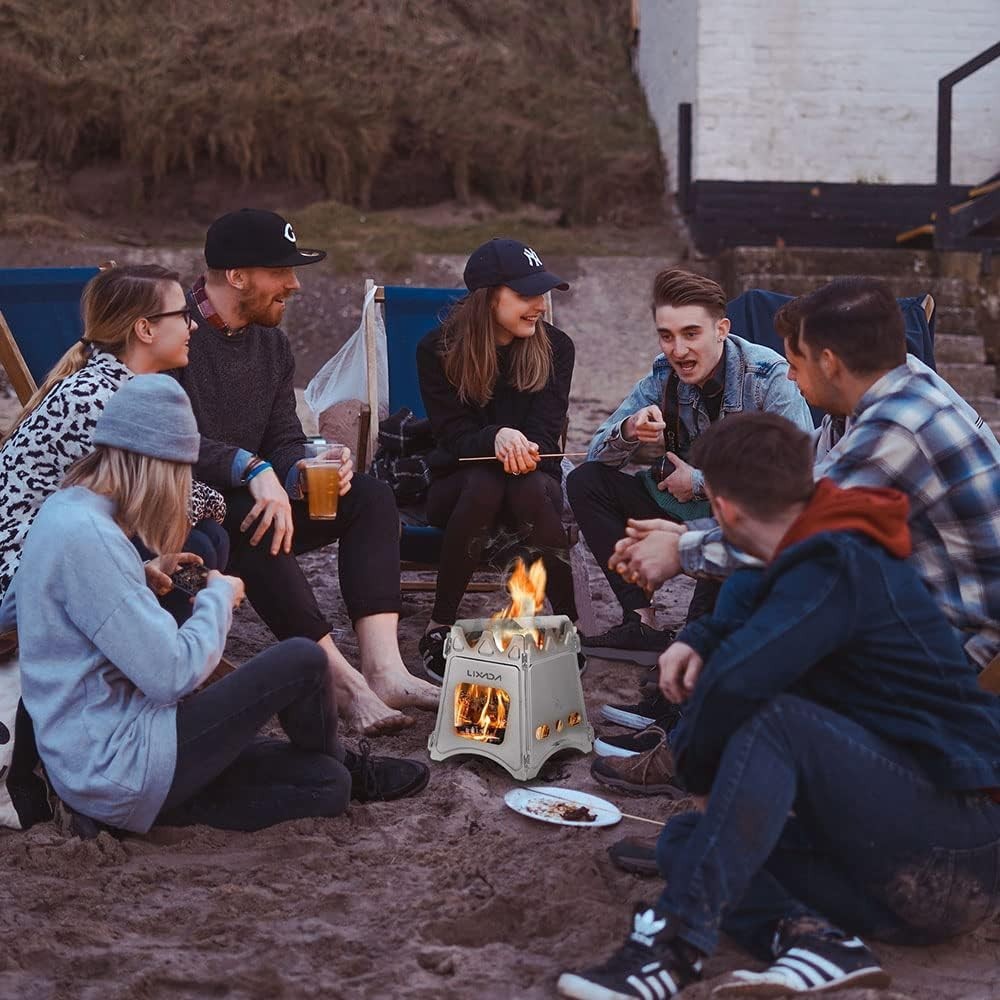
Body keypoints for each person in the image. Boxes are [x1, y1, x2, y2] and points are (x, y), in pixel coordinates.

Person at [558, 414, 1000, 1000]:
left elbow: (739, 684)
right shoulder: (789, 549)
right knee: (687, 838)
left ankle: (673, 947)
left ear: (722, 509)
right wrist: (698, 639)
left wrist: (698, 770)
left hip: (954, 853)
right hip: (881, 873)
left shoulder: (839, 559)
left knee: (774, 724)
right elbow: (741, 615)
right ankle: (817, 941)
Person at [14, 375, 428, 837]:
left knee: (326, 786)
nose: (180, 489)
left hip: (109, 761)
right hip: (121, 762)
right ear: (154, 463)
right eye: (180, 473)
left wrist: (140, 572)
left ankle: (337, 768)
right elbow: (171, 675)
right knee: (303, 660)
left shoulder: (67, 511)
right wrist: (218, 598)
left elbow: (40, 603)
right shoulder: (90, 537)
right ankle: (345, 760)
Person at [609, 276, 1000, 672]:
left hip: (964, 645)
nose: (790, 378)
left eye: (795, 366)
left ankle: (697, 692)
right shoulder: (881, 391)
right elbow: (793, 484)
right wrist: (690, 530)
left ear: (828, 363)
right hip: (918, 602)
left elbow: (800, 529)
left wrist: (681, 550)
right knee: (752, 585)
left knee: (769, 602)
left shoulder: (899, 426)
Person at [177, 208, 439, 736]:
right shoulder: (172, 331)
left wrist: (302, 466)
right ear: (237, 275)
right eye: (281, 272)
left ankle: (385, 670)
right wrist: (252, 469)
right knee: (255, 518)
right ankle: (342, 683)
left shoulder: (271, 344)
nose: (295, 285)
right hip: (190, 513)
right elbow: (164, 438)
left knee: (369, 496)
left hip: (261, 495)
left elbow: (282, 436)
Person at [567, 267, 813, 666]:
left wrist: (698, 481)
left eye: (691, 334)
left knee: (693, 650)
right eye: (667, 336)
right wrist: (629, 430)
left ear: (721, 329)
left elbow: (798, 475)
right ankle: (641, 621)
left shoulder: (769, 377)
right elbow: (595, 453)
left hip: (738, 520)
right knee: (586, 481)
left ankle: (698, 639)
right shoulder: (664, 374)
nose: (678, 350)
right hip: (677, 506)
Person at [0, 264, 229, 611]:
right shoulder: (94, 399)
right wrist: (217, 497)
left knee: (207, 538)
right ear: (145, 329)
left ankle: (173, 632)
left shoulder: (117, 386)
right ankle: (164, 639)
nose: (193, 325)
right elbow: (163, 503)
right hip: (23, 576)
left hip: (65, 550)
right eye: (183, 315)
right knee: (192, 542)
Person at [415, 237, 577, 680]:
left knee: (523, 486)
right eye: (526, 295)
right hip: (459, 488)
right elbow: (453, 436)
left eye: (542, 293)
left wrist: (520, 447)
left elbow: (545, 434)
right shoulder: (438, 349)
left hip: (533, 484)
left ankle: (570, 624)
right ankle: (440, 623)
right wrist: (496, 438)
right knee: (486, 482)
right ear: (489, 298)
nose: (539, 306)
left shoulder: (557, 348)